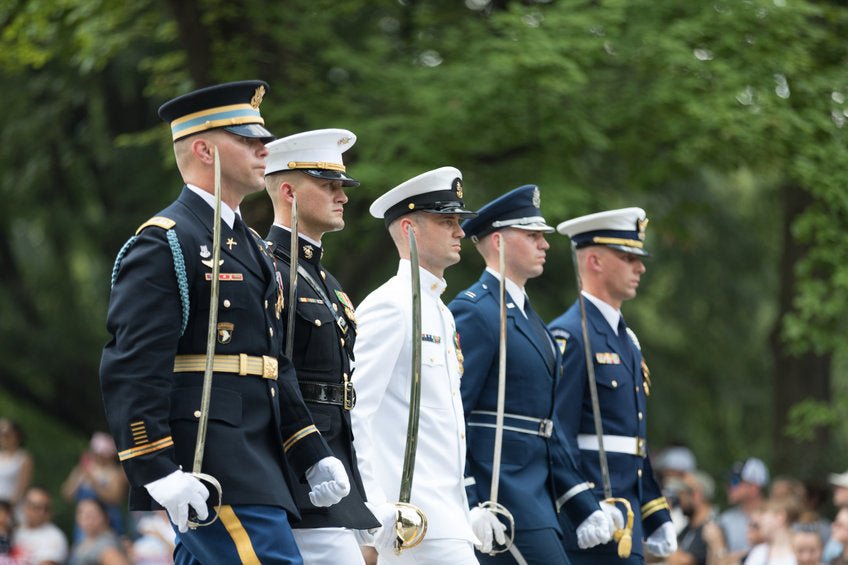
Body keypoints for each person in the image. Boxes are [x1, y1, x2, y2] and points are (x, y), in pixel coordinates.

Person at [99, 80, 349, 564]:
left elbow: (275, 366)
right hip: (211, 462)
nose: (264, 148)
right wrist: (155, 465)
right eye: (247, 139)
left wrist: (309, 450)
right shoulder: (168, 241)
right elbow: (132, 364)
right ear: (203, 149)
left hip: (259, 461)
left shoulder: (253, 247)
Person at [449, 185, 619, 563]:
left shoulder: (530, 319)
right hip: (501, 496)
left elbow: (546, 425)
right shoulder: (476, 312)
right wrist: (470, 497)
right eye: (532, 235)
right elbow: (451, 412)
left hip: (535, 496)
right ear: (498, 241)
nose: (545, 244)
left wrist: (580, 501)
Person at [351, 167, 479, 563]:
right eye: (447, 221)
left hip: (448, 516)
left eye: (458, 222)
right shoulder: (391, 305)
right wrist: (374, 508)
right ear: (408, 228)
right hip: (413, 520)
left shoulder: (440, 310)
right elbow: (356, 410)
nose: (459, 232)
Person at [263, 128, 380, 562]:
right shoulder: (268, 269)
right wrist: (310, 457)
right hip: (299, 470)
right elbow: (275, 373)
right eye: (329, 186)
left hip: (338, 465)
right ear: (289, 191)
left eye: (342, 186)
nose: (342, 196)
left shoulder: (327, 283)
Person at [548, 207, 676, 563]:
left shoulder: (627, 342)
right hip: (592, 521)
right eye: (627, 257)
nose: (641, 267)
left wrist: (655, 513)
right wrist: (583, 506)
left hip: (626, 517)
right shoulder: (572, 335)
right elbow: (557, 434)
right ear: (594, 261)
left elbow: (635, 443)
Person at [61, 432, 128, 540]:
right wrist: (79, 477)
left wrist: (93, 481)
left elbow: (115, 498)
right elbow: (67, 494)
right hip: (83, 523)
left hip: (108, 523)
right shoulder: (82, 469)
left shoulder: (115, 473)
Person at [665, 471, 726, 565]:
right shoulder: (689, 528)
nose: (679, 499)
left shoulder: (712, 528)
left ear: (697, 496)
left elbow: (679, 562)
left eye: (682, 494)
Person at [718, 458, 770, 557]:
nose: (729, 486)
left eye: (734, 481)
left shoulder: (775, 517)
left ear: (754, 486)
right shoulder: (726, 519)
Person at [12, 487, 68, 565]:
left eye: (46, 508)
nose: (41, 512)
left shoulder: (55, 536)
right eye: (36, 507)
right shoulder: (14, 530)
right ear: (25, 507)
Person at [67, 498, 129, 565]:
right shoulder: (81, 543)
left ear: (104, 516)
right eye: (81, 512)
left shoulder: (106, 544)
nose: (85, 517)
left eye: (90, 513)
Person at [742, 495, 801, 565]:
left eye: (763, 515)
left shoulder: (804, 553)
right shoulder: (759, 552)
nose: (760, 522)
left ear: (780, 516)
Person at [0, 419, 33, 508]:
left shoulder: (23, 458)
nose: (3, 438)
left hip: (9, 507)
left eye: (6, 435)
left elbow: (22, 488)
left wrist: (7, 508)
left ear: (16, 435)